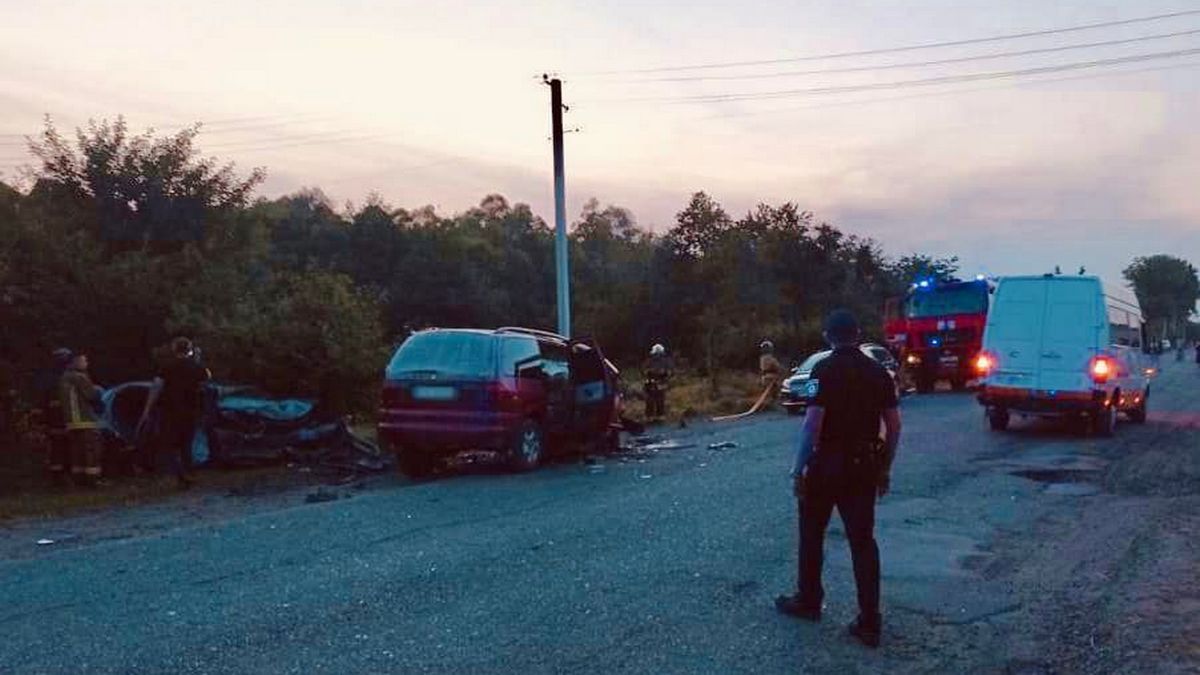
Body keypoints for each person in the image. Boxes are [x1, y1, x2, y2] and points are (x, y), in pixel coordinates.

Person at [775, 309, 903, 648]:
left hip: (826, 465)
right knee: (862, 542)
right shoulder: (879, 373)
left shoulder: (822, 369)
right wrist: (885, 467)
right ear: (858, 334)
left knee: (812, 532)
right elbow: (894, 425)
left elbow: (812, 423)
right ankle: (870, 620)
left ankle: (809, 600)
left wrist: (798, 468)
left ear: (827, 336)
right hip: (863, 467)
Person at [137, 337, 211, 488]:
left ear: (174, 349)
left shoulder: (166, 367)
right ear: (189, 349)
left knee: (168, 444)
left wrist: (147, 410)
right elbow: (207, 379)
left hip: (170, 411)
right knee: (186, 444)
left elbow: (156, 388)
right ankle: (189, 472)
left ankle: (176, 474)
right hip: (191, 410)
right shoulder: (197, 367)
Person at [58, 350, 105, 487]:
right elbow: (92, 395)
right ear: (76, 362)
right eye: (84, 360)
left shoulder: (64, 377)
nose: (86, 363)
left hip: (71, 421)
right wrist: (98, 390)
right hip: (85, 420)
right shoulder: (79, 377)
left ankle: (79, 480)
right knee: (92, 450)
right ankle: (93, 481)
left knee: (77, 452)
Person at [38, 348, 75, 486]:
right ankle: (63, 475)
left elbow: (43, 400)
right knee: (64, 446)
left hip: (56, 418)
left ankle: (58, 476)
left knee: (57, 447)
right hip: (65, 417)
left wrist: (45, 420)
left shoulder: (48, 377)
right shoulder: (71, 376)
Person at [643, 344, 673, 421]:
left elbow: (669, 372)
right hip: (650, 383)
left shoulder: (665, 361)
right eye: (656, 354)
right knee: (650, 401)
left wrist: (664, 374)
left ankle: (660, 416)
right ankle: (649, 416)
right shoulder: (649, 361)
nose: (657, 355)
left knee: (660, 400)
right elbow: (645, 371)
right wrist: (650, 373)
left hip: (661, 383)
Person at [759, 340, 784, 407]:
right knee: (774, 392)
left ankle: (768, 404)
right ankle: (772, 405)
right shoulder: (769, 358)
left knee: (767, 392)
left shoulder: (762, 358)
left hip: (765, 377)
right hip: (772, 377)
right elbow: (777, 366)